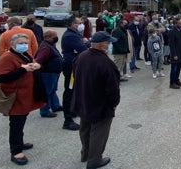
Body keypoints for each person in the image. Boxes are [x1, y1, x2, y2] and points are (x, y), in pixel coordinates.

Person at [71, 31, 121, 169]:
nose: (109, 45)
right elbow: (112, 88)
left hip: (83, 99)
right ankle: (94, 159)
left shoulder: (81, 56)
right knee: (99, 132)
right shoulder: (105, 63)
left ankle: (86, 153)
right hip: (100, 103)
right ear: (102, 44)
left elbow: (75, 76)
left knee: (85, 128)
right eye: (108, 43)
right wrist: (114, 103)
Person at [0, 33, 45, 165]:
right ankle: (16, 152)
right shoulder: (7, 57)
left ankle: (20, 141)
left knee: (22, 120)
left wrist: (36, 66)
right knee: (16, 123)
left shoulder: (25, 54)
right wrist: (23, 70)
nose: (24, 45)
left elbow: (32, 64)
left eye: (26, 43)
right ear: (12, 44)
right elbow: (2, 78)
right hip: (15, 97)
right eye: (21, 43)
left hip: (25, 96)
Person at [61, 16, 89, 131]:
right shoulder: (71, 35)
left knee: (74, 91)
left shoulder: (74, 34)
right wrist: (88, 42)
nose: (81, 25)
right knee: (70, 90)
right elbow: (83, 49)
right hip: (71, 66)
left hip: (74, 64)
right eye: (79, 23)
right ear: (73, 24)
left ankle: (72, 111)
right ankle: (67, 120)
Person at [35, 30, 63, 118]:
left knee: (52, 90)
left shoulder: (50, 45)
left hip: (54, 72)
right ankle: (44, 110)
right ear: (47, 38)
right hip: (48, 73)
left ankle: (55, 106)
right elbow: (39, 60)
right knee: (47, 92)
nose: (56, 38)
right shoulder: (45, 48)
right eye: (54, 36)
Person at [168, 18, 181, 89]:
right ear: (176, 24)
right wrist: (174, 54)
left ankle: (176, 80)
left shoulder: (180, 30)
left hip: (180, 52)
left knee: (179, 67)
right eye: (179, 23)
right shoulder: (172, 31)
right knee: (174, 69)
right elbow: (171, 44)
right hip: (175, 53)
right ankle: (172, 83)